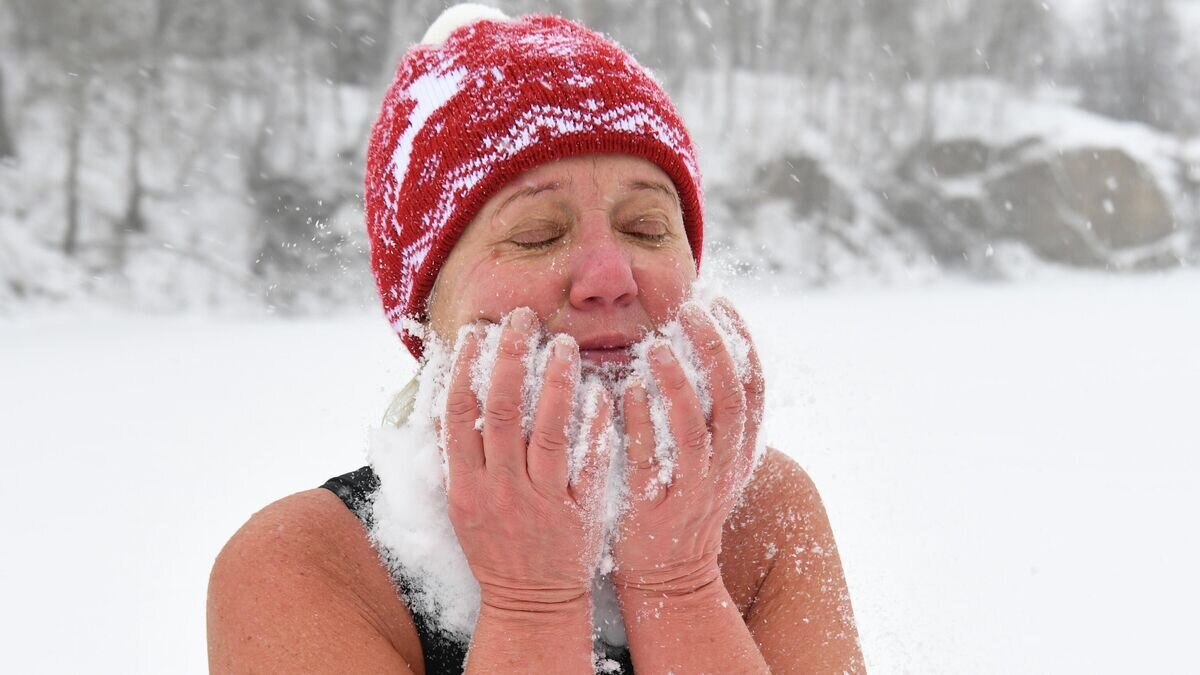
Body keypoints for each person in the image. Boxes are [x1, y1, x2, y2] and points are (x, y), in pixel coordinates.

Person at [207, 6, 863, 673]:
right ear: (429, 311)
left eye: (645, 226)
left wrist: (678, 581)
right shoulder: (304, 566)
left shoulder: (764, 515)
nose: (610, 277)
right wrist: (532, 600)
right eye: (536, 235)